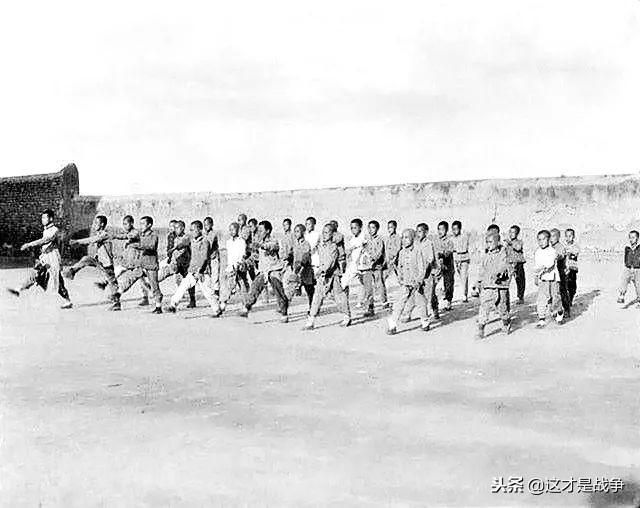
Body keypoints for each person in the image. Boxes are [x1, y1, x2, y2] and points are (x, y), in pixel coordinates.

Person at [7, 209, 73, 309]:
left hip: (53, 258)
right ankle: (18, 289)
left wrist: (29, 244)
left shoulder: (54, 230)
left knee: (57, 280)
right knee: (36, 273)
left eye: (45, 217)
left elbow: (45, 240)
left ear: (51, 218)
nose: (42, 219)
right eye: (42, 217)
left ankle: (68, 301)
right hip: (45, 257)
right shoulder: (46, 229)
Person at [64, 215, 121, 309]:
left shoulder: (105, 234)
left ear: (102, 224)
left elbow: (92, 240)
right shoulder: (99, 234)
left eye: (96, 223)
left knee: (112, 282)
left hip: (106, 263)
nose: (94, 225)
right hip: (98, 260)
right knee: (86, 259)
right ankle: (72, 271)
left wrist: (77, 241)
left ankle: (117, 303)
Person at [165, 221, 221, 316]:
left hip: (202, 271)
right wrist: (175, 248)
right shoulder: (191, 240)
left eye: (193, 230)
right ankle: (173, 305)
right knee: (183, 286)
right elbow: (183, 243)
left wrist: (200, 271)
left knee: (207, 292)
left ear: (199, 229)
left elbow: (205, 257)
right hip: (192, 270)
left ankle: (217, 309)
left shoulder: (205, 242)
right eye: (190, 230)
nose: (191, 232)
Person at [302, 224, 351, 330]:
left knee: (339, 297)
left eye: (327, 232)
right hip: (323, 276)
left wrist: (321, 270)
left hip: (333, 276)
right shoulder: (320, 245)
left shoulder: (334, 246)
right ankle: (311, 321)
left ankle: (347, 316)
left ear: (332, 234)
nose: (324, 234)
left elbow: (331, 261)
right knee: (317, 297)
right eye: (323, 232)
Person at [386, 229, 433, 335]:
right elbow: (400, 267)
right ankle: (392, 325)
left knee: (421, 302)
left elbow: (422, 268)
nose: (404, 240)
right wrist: (400, 278)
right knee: (399, 303)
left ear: (413, 238)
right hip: (406, 283)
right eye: (402, 237)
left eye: (406, 237)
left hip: (416, 283)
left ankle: (425, 322)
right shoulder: (401, 252)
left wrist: (419, 280)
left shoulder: (418, 251)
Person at [240, 221, 289, 321]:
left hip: (274, 269)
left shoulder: (273, 240)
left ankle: (284, 313)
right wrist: (245, 263)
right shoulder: (258, 241)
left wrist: (262, 246)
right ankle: (247, 307)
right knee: (255, 287)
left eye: (261, 230)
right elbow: (255, 256)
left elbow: (273, 246)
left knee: (278, 290)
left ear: (268, 231)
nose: (259, 232)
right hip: (263, 270)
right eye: (259, 230)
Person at [117, 216, 164, 313]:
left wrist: (138, 246)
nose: (141, 226)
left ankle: (158, 306)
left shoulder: (154, 236)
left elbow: (151, 246)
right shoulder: (140, 235)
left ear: (149, 225)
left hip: (151, 264)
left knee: (154, 285)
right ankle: (118, 293)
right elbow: (129, 236)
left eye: (143, 223)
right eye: (140, 223)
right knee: (131, 278)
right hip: (141, 264)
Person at [105, 215, 151, 306]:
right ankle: (106, 283)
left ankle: (147, 296)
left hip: (136, 261)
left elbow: (127, 236)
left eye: (126, 224)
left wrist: (114, 236)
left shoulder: (136, 232)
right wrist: (120, 256)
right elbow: (127, 249)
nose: (124, 226)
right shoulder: (130, 234)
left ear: (132, 223)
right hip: (128, 261)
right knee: (120, 272)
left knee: (139, 280)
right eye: (123, 224)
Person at [476, 232, 511, 339]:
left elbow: (504, 265)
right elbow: (482, 270)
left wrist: (499, 273)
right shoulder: (486, 256)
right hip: (488, 286)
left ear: (498, 242)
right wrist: (478, 282)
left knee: (502, 308)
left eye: (491, 242)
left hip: (500, 286)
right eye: (487, 242)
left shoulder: (503, 253)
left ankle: (506, 323)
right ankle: (481, 329)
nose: (488, 244)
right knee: (484, 307)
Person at [159, 220, 196, 308]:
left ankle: (192, 300)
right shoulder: (174, 238)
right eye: (174, 228)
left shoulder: (186, 237)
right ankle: (153, 283)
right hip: (176, 263)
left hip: (185, 263)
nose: (175, 229)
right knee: (166, 273)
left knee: (189, 282)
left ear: (182, 228)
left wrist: (173, 249)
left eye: (177, 228)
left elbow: (182, 244)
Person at [217, 222, 250, 314]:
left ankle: (245, 306)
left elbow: (243, 254)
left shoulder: (241, 241)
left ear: (238, 230)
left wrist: (240, 264)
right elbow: (229, 256)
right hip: (231, 268)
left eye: (233, 229)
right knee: (229, 286)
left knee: (243, 286)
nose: (231, 232)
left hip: (240, 267)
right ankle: (222, 304)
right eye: (230, 230)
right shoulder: (228, 242)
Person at [282, 223, 315, 312]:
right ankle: (284, 308)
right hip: (296, 271)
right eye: (295, 232)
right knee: (291, 290)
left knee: (310, 291)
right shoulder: (295, 244)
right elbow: (291, 254)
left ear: (303, 232)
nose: (296, 234)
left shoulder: (306, 244)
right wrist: (287, 258)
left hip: (305, 270)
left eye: (297, 231)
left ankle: (312, 308)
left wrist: (300, 265)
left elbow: (305, 256)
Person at [357, 220, 387, 316]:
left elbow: (379, 252)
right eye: (369, 228)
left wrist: (372, 259)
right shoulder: (366, 239)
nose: (371, 230)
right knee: (368, 288)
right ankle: (370, 307)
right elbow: (363, 250)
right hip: (368, 268)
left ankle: (384, 302)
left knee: (379, 284)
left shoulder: (379, 240)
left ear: (377, 229)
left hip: (377, 266)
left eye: (373, 227)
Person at [533, 229, 563, 327]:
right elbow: (536, 266)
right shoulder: (537, 252)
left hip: (553, 279)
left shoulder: (552, 251)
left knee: (555, 297)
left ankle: (559, 311)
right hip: (543, 279)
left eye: (543, 239)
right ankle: (542, 318)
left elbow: (550, 264)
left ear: (549, 239)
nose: (541, 242)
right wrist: (536, 276)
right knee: (542, 298)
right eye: (539, 240)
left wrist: (541, 270)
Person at [433, 221, 454, 310]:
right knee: (433, 284)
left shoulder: (449, 241)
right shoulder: (434, 240)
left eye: (442, 229)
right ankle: (434, 304)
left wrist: (442, 254)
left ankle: (448, 302)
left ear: (446, 230)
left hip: (447, 265)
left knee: (448, 284)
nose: (440, 231)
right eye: (439, 229)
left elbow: (448, 252)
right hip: (438, 266)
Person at [550, 228, 571, 317]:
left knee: (562, 291)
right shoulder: (550, 247)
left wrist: (556, 257)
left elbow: (561, 255)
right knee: (553, 291)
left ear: (558, 237)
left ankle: (566, 309)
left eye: (553, 236)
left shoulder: (560, 246)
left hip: (560, 271)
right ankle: (555, 309)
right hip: (553, 273)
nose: (551, 238)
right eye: (550, 236)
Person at [504, 225, 526, 305]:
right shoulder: (507, 244)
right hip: (509, 264)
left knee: (520, 281)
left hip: (518, 264)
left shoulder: (519, 242)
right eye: (510, 232)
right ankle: (505, 298)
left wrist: (511, 243)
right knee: (506, 281)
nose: (511, 234)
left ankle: (520, 297)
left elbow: (518, 248)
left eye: (513, 232)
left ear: (517, 234)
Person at [618, 230, 640, 305]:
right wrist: (627, 265)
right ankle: (621, 296)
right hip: (628, 268)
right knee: (624, 280)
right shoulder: (627, 248)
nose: (631, 239)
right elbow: (626, 258)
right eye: (630, 237)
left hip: (638, 269)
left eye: (633, 237)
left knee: (638, 285)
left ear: (637, 238)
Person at [451, 220, 470, 303]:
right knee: (457, 278)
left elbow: (464, 249)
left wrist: (455, 250)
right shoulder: (451, 238)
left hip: (464, 260)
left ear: (460, 229)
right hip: (455, 260)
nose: (455, 231)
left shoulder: (464, 237)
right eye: (453, 229)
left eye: (456, 229)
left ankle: (464, 295)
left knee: (464, 277)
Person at [203, 216, 220, 297]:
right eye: (204, 225)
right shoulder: (204, 234)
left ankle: (216, 291)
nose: (206, 227)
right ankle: (212, 291)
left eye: (207, 225)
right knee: (208, 274)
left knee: (215, 274)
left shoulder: (213, 234)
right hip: (207, 257)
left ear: (212, 224)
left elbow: (209, 245)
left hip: (213, 256)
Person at [564, 228, 579, 306]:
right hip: (565, 268)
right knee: (565, 284)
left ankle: (571, 298)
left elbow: (574, 254)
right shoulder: (563, 246)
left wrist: (568, 253)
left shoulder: (575, 246)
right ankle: (566, 299)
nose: (568, 238)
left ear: (573, 237)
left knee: (572, 284)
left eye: (570, 236)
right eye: (566, 236)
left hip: (572, 268)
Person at [383, 220, 401, 284]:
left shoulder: (397, 237)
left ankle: (408, 289)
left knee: (400, 275)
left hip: (396, 260)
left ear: (395, 227)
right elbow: (386, 249)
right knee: (385, 275)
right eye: (388, 228)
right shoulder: (388, 238)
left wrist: (394, 258)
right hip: (388, 259)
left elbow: (398, 248)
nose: (389, 229)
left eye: (391, 227)